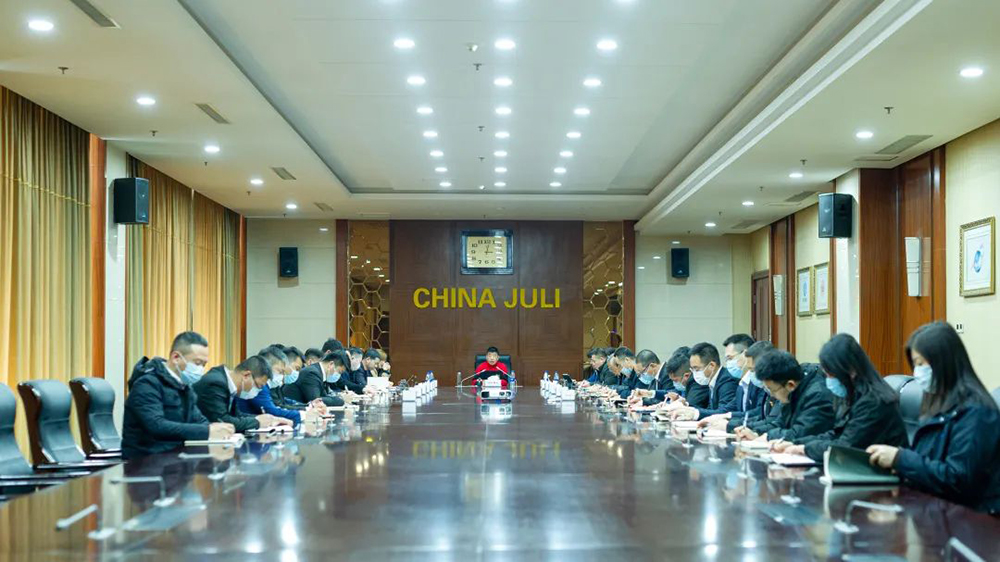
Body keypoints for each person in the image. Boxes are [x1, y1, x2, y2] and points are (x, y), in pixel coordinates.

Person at [867, 322, 1000, 514]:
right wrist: (899, 465)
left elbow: (957, 479)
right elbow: (928, 463)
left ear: (944, 361)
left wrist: (900, 459)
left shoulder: (977, 411)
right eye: (915, 364)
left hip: (972, 518)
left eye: (922, 364)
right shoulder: (938, 402)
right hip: (935, 509)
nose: (917, 372)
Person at [769, 334, 907, 461]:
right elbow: (835, 434)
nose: (828, 380)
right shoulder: (850, 395)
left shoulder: (874, 401)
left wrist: (805, 449)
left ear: (850, 371)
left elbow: (845, 448)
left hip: (879, 473)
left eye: (831, 374)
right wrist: (796, 444)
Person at [122, 331, 234, 459]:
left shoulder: (185, 387)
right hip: (145, 461)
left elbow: (198, 419)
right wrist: (207, 431)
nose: (201, 369)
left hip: (176, 458)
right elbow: (157, 426)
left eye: (204, 364)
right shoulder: (147, 384)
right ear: (176, 357)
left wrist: (218, 429)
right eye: (197, 363)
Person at [736, 350, 834, 442]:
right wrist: (756, 433)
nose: (772, 395)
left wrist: (767, 437)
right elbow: (780, 423)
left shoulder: (817, 395)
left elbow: (800, 433)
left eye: (773, 390)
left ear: (790, 385)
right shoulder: (792, 392)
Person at [195, 355, 290, 433]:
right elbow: (222, 421)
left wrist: (268, 419)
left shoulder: (229, 384)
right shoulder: (216, 383)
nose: (258, 391)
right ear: (246, 375)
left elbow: (236, 415)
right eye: (258, 386)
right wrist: (257, 422)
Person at [669, 342, 737, 421]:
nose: (694, 373)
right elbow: (710, 409)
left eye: (696, 369)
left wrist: (695, 413)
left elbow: (723, 413)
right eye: (692, 369)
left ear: (712, 366)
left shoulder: (727, 381)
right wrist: (686, 405)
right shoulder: (713, 380)